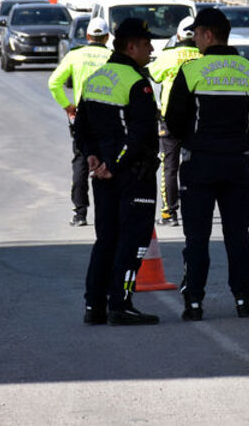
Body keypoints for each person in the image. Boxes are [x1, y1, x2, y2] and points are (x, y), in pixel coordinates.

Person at [165, 8, 249, 322]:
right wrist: (238, 139)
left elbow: (173, 119)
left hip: (199, 164)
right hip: (236, 163)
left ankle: (194, 303)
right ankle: (243, 300)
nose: (194, 39)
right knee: (238, 235)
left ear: (209, 35)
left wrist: (195, 140)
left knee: (196, 237)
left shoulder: (192, 71)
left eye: (196, 33)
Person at [73, 18, 162, 326]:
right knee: (133, 240)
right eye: (147, 44)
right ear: (130, 46)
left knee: (106, 239)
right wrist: (114, 163)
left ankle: (93, 307)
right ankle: (120, 305)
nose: (151, 49)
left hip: (102, 175)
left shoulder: (96, 78)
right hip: (132, 175)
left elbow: (81, 128)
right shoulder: (138, 83)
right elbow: (139, 135)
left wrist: (94, 157)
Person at [47, 18, 113, 227]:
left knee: (81, 162)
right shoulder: (112, 57)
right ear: (107, 37)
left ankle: (80, 212)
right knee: (107, 162)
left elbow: (54, 82)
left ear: (87, 36)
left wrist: (67, 105)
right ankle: (107, 210)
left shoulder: (75, 55)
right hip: (107, 117)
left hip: (82, 117)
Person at [146, 17, 201, 227]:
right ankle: (194, 208)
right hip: (197, 119)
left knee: (169, 167)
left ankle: (170, 213)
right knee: (195, 166)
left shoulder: (168, 56)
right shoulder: (203, 56)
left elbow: (153, 76)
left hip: (170, 119)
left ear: (178, 36)